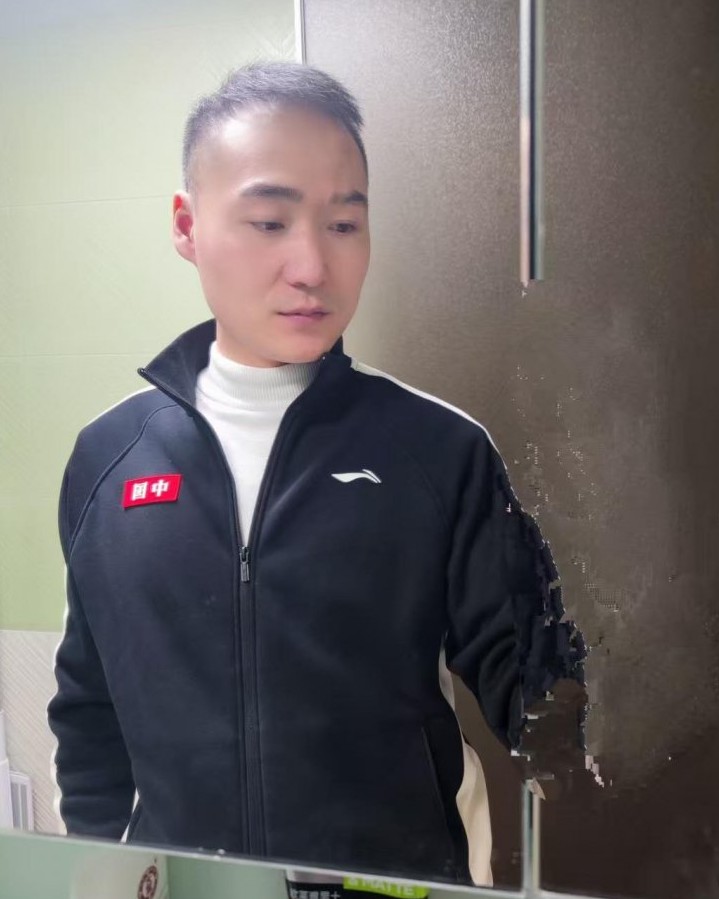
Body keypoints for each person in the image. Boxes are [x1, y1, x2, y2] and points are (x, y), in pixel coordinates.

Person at [48, 62, 584, 888]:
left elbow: (548, 705)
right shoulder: (108, 457)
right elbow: (90, 712)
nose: (311, 265)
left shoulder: (437, 450)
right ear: (187, 226)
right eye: (269, 221)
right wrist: (97, 870)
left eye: (342, 224)